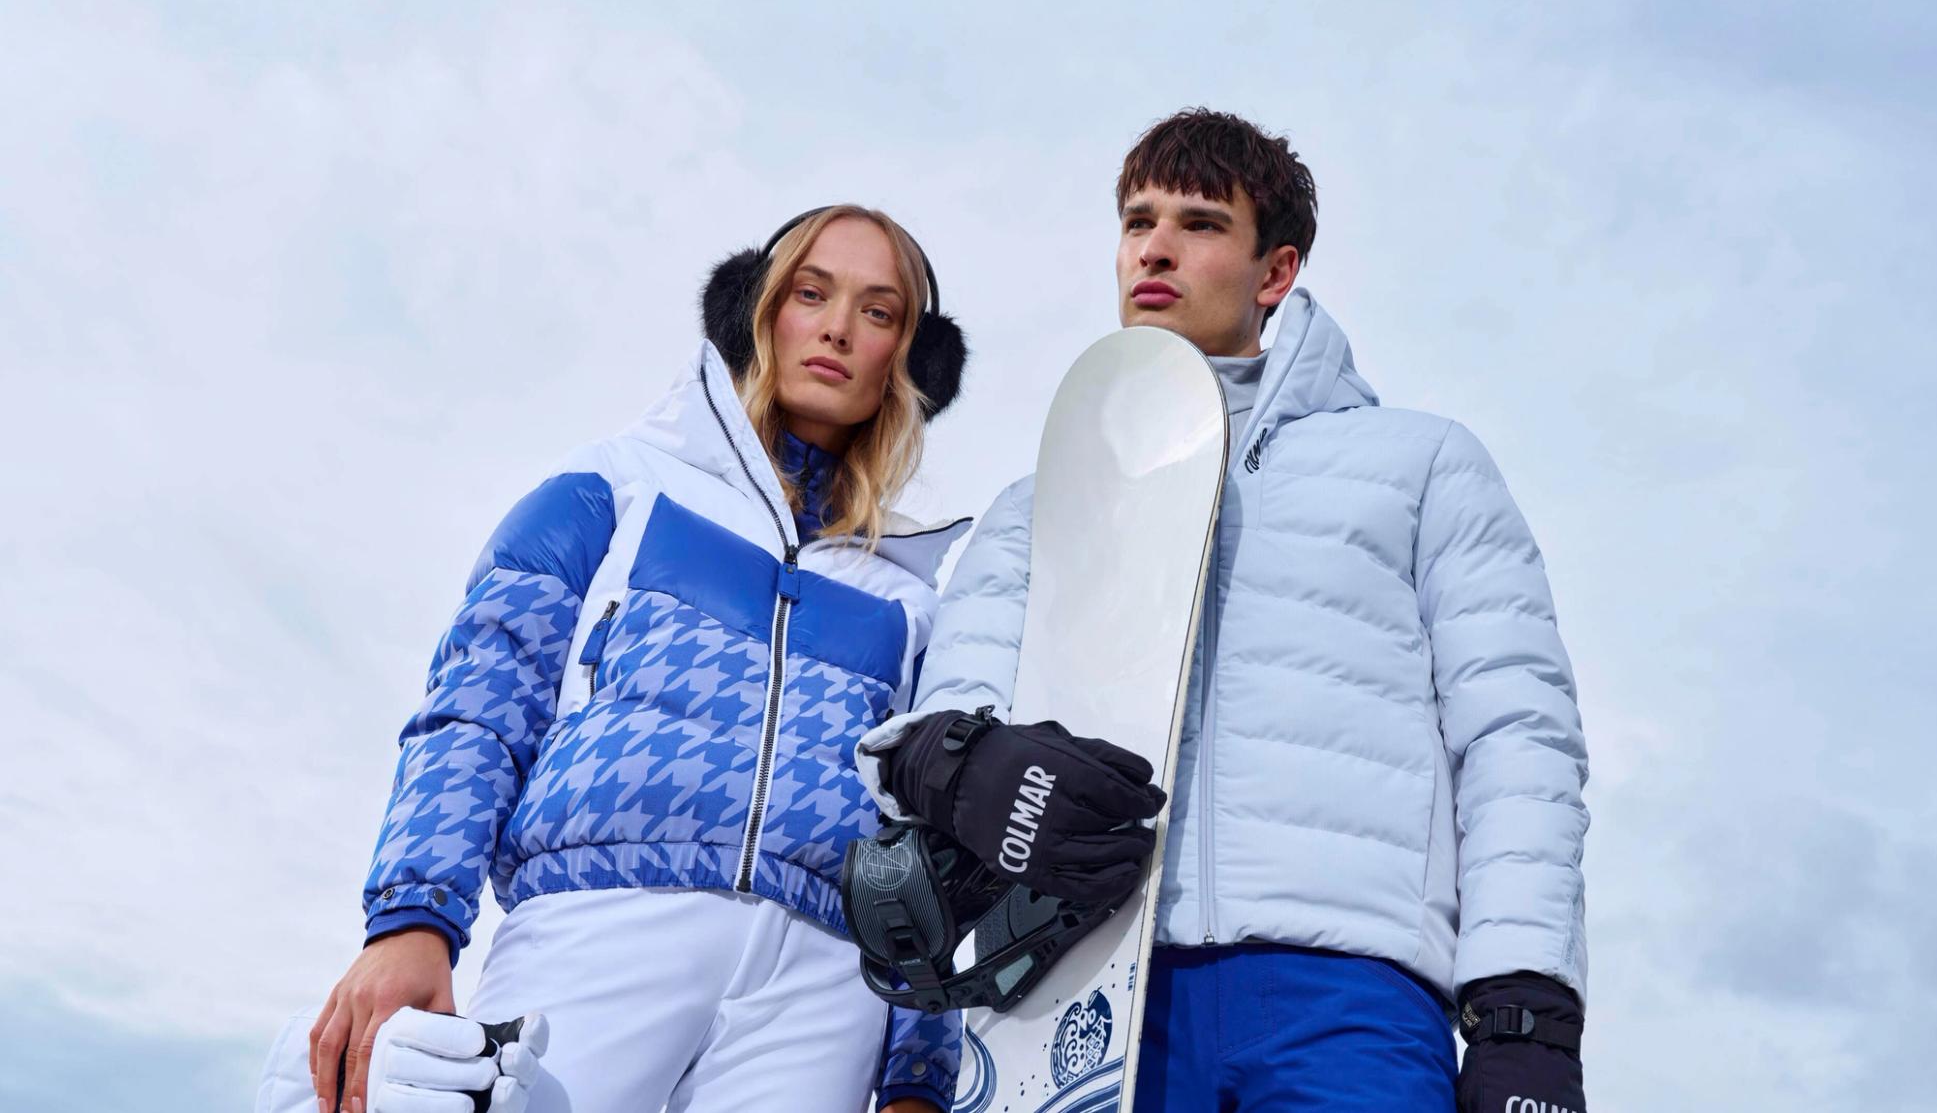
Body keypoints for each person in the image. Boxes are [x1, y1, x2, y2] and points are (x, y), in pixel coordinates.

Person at [858, 110, 1590, 1113]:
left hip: (1343, 996)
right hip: (1083, 1000)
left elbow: (1515, 735)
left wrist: (1524, 1013)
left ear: (1274, 271)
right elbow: (942, 724)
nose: (1153, 249)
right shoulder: (1040, 503)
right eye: (1136, 221)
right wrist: (964, 767)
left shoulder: (1419, 466)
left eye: (1199, 223)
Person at [305, 205, 972, 1113]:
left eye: (878, 311)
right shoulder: (615, 485)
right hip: (599, 919)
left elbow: (931, 844)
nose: (837, 328)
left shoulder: (913, 593)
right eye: (810, 293)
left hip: (821, 987)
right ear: (756, 308)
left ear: (911, 358)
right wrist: (413, 918)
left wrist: (917, 1074)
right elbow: (481, 703)